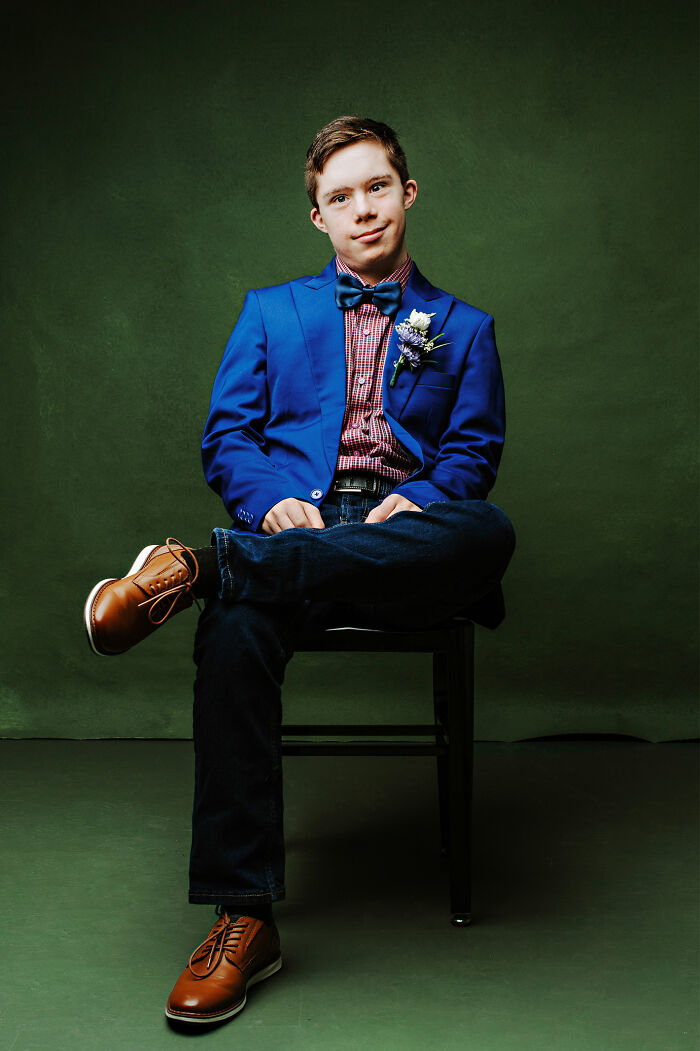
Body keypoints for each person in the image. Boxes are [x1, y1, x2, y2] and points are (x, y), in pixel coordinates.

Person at [83, 116, 515, 1027]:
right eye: (340, 196)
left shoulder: (466, 329)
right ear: (317, 216)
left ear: (408, 194)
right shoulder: (268, 309)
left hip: (409, 542)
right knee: (235, 631)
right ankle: (244, 918)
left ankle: (201, 567)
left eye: (378, 187)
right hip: (292, 527)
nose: (363, 209)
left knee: (487, 531)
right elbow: (228, 438)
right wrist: (274, 498)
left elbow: (474, 451)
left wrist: (429, 499)